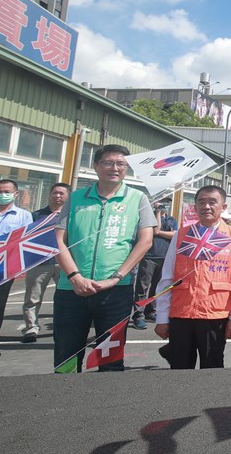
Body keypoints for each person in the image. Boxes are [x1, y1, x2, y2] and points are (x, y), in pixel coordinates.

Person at [53, 144, 156, 372]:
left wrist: (117, 277)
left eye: (121, 164)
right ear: (96, 166)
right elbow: (59, 240)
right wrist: (74, 276)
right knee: (65, 358)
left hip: (115, 292)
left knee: (110, 360)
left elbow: (145, 241)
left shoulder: (137, 199)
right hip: (71, 289)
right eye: (109, 163)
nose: (115, 168)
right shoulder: (77, 198)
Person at [154, 186, 231, 369]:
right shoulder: (182, 234)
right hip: (181, 313)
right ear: (195, 207)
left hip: (215, 314)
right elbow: (167, 277)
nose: (206, 206)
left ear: (223, 207)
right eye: (201, 202)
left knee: (212, 368)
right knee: (179, 369)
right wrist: (162, 318)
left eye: (212, 202)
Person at [0, 180, 34, 359]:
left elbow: (26, 241)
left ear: (15, 194)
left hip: (3, 267)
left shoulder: (24, 216)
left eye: (7, 191)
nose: (3, 194)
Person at [21, 183, 70, 343]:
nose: (57, 196)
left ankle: (62, 327)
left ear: (68, 196)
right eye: (55, 193)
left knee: (65, 297)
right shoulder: (36, 215)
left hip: (64, 263)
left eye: (61, 193)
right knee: (33, 298)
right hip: (39, 263)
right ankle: (31, 328)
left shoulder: (71, 215)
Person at [131, 199, 178, 330]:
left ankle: (151, 311)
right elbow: (155, 230)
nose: (164, 207)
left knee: (157, 287)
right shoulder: (149, 218)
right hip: (149, 257)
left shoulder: (171, 220)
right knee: (142, 287)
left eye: (166, 205)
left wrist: (162, 233)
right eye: (162, 204)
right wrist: (157, 212)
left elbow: (174, 234)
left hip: (164, 257)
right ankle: (138, 315)